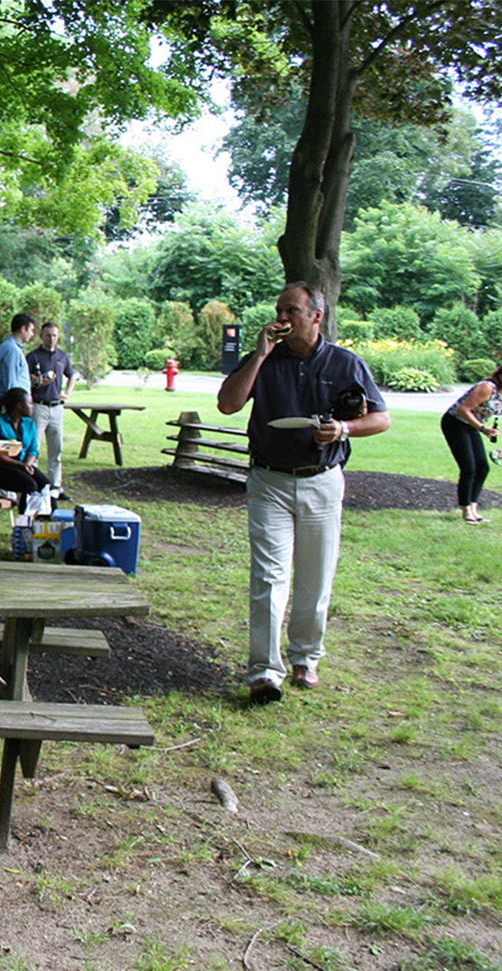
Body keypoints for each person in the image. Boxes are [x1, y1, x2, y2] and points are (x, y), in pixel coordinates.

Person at [217, 281, 390, 705]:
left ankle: (306, 658)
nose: (282, 317)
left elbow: (381, 419)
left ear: (316, 316)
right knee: (269, 576)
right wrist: (258, 355)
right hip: (269, 481)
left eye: (292, 310)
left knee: (316, 575)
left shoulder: (345, 363)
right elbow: (227, 404)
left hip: (321, 479)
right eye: (280, 309)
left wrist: (344, 429)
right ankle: (263, 671)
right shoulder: (264, 360)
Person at [441, 364, 502, 522]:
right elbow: (463, 409)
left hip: (473, 426)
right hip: (455, 423)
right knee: (469, 468)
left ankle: (474, 508)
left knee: (483, 467)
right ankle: (465, 510)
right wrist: (482, 428)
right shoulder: (487, 388)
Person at [0, 386, 52, 513]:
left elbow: (33, 450)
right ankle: (25, 522)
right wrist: (20, 465)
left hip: (22, 466)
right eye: (30, 403)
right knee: (30, 485)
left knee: (46, 485)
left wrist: (27, 464)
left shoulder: (29, 423)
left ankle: (51, 519)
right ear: (20, 406)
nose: (33, 406)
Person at [28, 322, 75, 496]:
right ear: (41, 336)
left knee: (57, 448)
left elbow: (72, 375)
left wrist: (67, 393)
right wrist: (38, 381)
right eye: (48, 335)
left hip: (57, 407)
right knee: (35, 446)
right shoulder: (33, 357)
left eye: (54, 335)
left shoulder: (62, 356)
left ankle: (56, 485)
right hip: (39, 406)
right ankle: (35, 484)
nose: (51, 338)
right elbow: (26, 380)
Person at [0, 313, 35, 400]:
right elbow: (11, 382)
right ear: (23, 329)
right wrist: (14, 406)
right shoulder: (12, 350)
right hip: (14, 403)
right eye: (31, 330)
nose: (32, 334)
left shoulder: (11, 347)